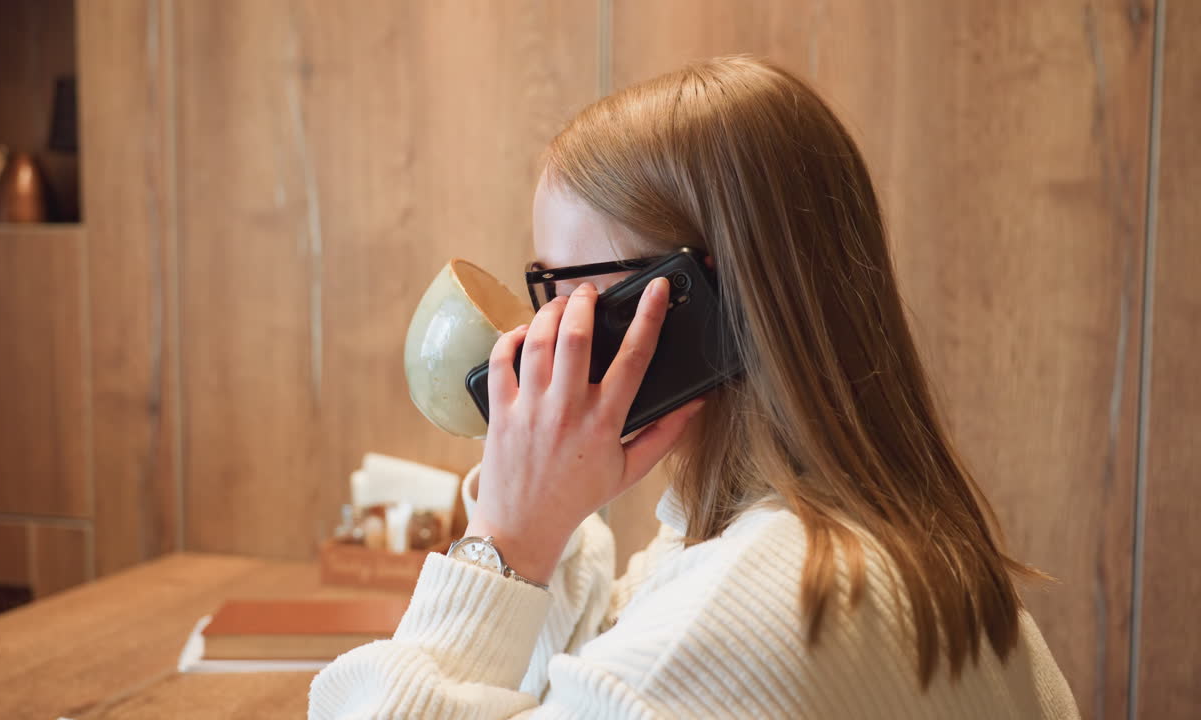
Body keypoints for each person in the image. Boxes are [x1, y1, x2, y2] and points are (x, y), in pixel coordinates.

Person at [308, 55, 1079, 719]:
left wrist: (505, 547)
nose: (537, 337)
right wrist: (541, 513)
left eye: (567, 290)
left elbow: (649, 665)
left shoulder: (760, 608)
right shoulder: (896, 549)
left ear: (687, 308)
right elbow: (596, 662)